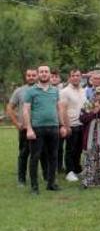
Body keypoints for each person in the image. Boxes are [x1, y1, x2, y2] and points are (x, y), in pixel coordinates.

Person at [23, 65, 67, 193]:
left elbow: (59, 108)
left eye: (46, 72)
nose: (43, 74)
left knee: (53, 156)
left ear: (49, 74)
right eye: (41, 72)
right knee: (35, 157)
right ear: (38, 74)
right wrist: (29, 129)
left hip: (53, 127)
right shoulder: (31, 91)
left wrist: (62, 125)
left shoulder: (55, 90)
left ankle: (51, 183)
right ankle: (34, 187)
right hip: (37, 128)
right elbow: (26, 110)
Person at [6, 68, 37, 186]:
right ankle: (21, 179)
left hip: (40, 127)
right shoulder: (19, 91)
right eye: (29, 75)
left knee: (42, 154)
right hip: (24, 128)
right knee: (24, 154)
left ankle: (46, 177)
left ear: (37, 76)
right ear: (26, 77)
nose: (31, 77)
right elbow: (9, 108)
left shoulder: (42, 90)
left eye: (33, 75)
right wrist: (16, 123)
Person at [79, 87, 100, 188]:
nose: (98, 97)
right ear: (93, 95)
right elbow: (82, 118)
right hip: (90, 136)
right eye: (97, 94)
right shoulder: (87, 104)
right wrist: (93, 113)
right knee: (90, 157)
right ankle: (89, 180)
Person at [59, 68, 87, 183]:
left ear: (81, 77)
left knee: (79, 149)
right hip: (71, 124)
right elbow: (62, 109)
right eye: (73, 75)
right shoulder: (64, 91)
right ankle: (69, 171)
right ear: (69, 77)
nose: (75, 77)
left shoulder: (83, 90)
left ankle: (77, 168)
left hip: (82, 124)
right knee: (70, 149)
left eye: (77, 75)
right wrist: (66, 125)